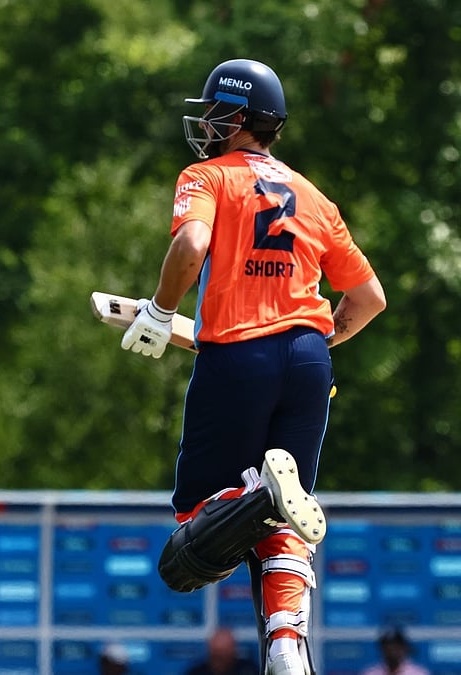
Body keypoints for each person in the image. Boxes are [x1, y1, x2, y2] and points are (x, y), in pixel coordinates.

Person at [121, 59, 387, 675]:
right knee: (286, 517)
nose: (206, 124)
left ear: (239, 118)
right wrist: (314, 347)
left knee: (195, 522)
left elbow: (190, 247)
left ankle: (254, 490)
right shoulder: (315, 197)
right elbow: (369, 298)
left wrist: (161, 312)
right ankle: (287, 643)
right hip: (308, 361)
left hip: (238, 359)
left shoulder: (207, 175)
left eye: (214, 112)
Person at [359, 625, 431, 675]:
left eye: (396, 647)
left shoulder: (419, 673)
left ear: (404, 648)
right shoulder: (369, 673)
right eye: (387, 647)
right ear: (381, 649)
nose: (391, 651)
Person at [184, 628, 260, 675]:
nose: (219, 660)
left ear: (233, 652)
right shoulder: (196, 673)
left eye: (224, 654)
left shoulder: (249, 670)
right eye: (216, 655)